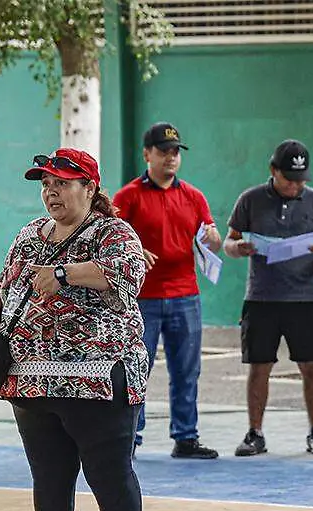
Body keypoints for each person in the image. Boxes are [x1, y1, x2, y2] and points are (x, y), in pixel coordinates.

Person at [0, 148, 148, 511]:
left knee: (109, 473)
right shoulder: (30, 234)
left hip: (98, 379)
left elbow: (127, 274)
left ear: (89, 188)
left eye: (62, 183)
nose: (51, 192)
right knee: (49, 476)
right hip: (31, 377)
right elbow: (6, 280)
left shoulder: (113, 232)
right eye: (46, 184)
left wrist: (63, 273)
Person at [224, 139, 313, 457]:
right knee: (259, 366)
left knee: (311, 365)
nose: (295, 185)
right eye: (289, 179)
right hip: (262, 297)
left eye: (300, 179)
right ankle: (255, 432)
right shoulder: (250, 200)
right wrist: (239, 248)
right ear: (273, 171)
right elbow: (229, 243)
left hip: (305, 298)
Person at [115, 122, 222, 460]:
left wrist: (213, 239)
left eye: (175, 152)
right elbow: (112, 238)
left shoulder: (193, 196)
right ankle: (130, 438)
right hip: (142, 298)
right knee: (136, 369)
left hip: (185, 295)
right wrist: (135, 249)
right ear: (147, 154)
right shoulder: (128, 197)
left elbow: (211, 236)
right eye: (163, 152)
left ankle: (186, 437)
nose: (171, 158)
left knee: (186, 371)